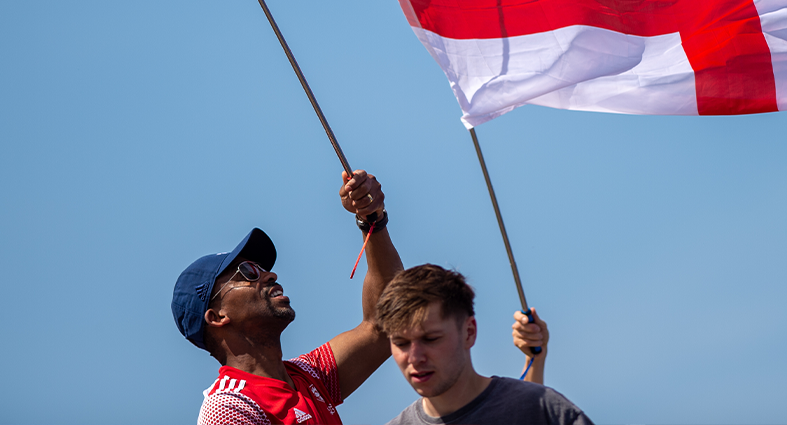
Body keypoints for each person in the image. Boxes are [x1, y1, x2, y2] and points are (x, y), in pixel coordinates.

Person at [171, 170, 403, 425]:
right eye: (247, 272)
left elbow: (382, 326)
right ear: (217, 317)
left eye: (262, 268)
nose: (269, 275)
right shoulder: (227, 407)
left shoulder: (307, 374)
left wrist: (372, 219)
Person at [377, 264, 593, 425]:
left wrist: (534, 360)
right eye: (401, 343)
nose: (415, 358)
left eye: (431, 339)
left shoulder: (546, 410)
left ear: (469, 332)